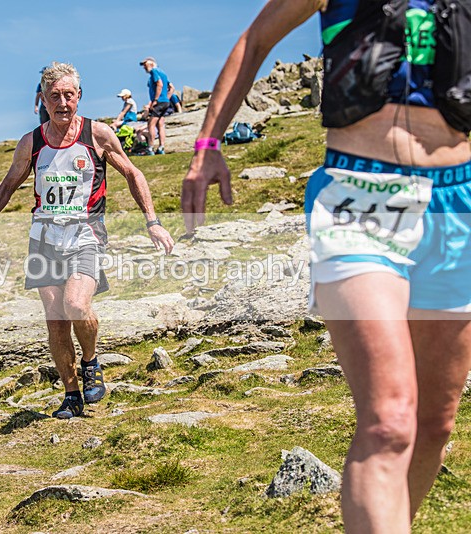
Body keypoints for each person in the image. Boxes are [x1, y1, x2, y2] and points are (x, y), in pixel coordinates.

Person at [181, 1, 471, 532]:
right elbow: (254, 40)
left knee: (433, 424)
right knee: (388, 422)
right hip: (359, 196)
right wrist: (206, 146)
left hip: (459, 203)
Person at [0, 62, 174, 419]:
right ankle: (71, 393)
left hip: (86, 233)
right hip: (44, 237)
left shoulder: (98, 134)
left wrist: (152, 221)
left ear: (79, 96)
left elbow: (133, 173)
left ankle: (91, 362)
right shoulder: (31, 142)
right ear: (43, 101)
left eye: (68, 95)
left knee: (76, 305)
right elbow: (8, 184)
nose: (62, 103)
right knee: (55, 318)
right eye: (54, 97)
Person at [140, 56, 171, 155]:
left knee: (151, 124)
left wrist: (156, 100)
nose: (144, 68)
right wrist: (166, 98)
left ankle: (150, 148)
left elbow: (160, 84)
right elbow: (171, 87)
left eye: (145, 65)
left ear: (151, 64)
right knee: (160, 125)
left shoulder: (154, 72)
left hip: (159, 101)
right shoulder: (163, 72)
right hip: (165, 101)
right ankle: (161, 147)